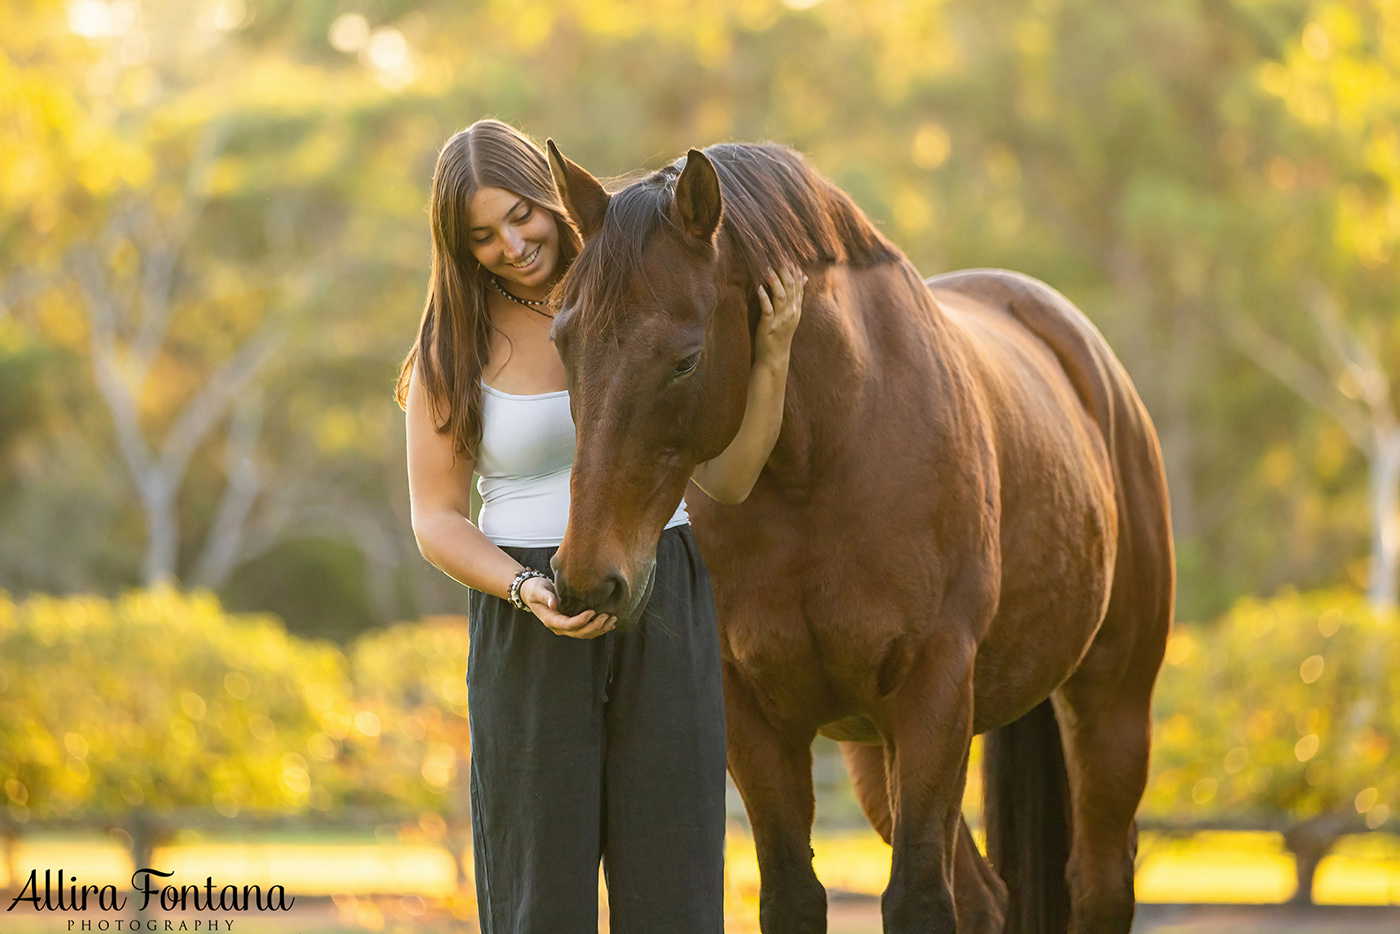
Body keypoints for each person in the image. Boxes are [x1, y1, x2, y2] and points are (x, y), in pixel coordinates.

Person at [396, 119, 804, 934]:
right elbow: (435, 519)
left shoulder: (641, 286)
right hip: (529, 610)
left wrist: (772, 358)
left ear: (551, 199)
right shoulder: (452, 344)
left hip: (664, 596)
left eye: (521, 215)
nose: (512, 245)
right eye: (481, 236)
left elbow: (725, 478)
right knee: (537, 894)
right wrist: (522, 588)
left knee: (677, 888)